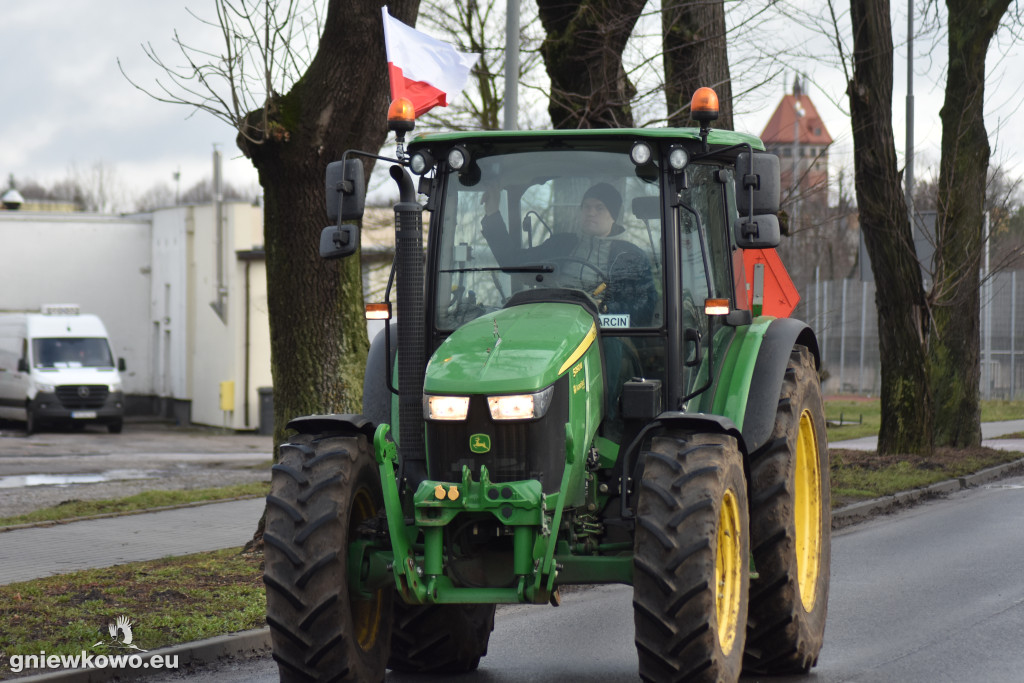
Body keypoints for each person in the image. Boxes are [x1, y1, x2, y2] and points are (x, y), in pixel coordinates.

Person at [480, 182, 657, 326]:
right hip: (552, 320)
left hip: (604, 329)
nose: (591, 212)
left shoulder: (631, 257)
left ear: (614, 215)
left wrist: (604, 308)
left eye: (599, 208)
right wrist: (492, 214)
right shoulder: (561, 243)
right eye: (586, 207)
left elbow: (644, 309)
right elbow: (512, 262)